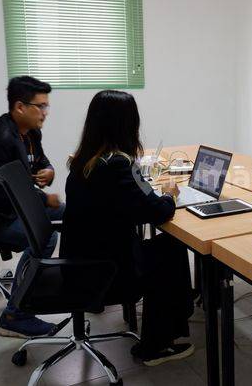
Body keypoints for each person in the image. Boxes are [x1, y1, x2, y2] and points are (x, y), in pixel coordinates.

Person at [62, 90, 195, 366]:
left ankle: (177, 314)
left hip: (82, 260)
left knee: (163, 246)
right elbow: (156, 213)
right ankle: (155, 347)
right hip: (105, 270)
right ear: (126, 124)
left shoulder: (84, 160)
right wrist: (170, 194)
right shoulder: (116, 166)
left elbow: (130, 204)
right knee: (170, 249)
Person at [0, 76, 63, 338]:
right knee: (46, 239)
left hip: (12, 208)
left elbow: (40, 160)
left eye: (46, 106)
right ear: (20, 107)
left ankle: (83, 289)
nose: (45, 113)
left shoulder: (29, 132)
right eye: (40, 106)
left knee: (74, 215)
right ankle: (15, 314)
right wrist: (42, 200)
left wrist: (48, 171)